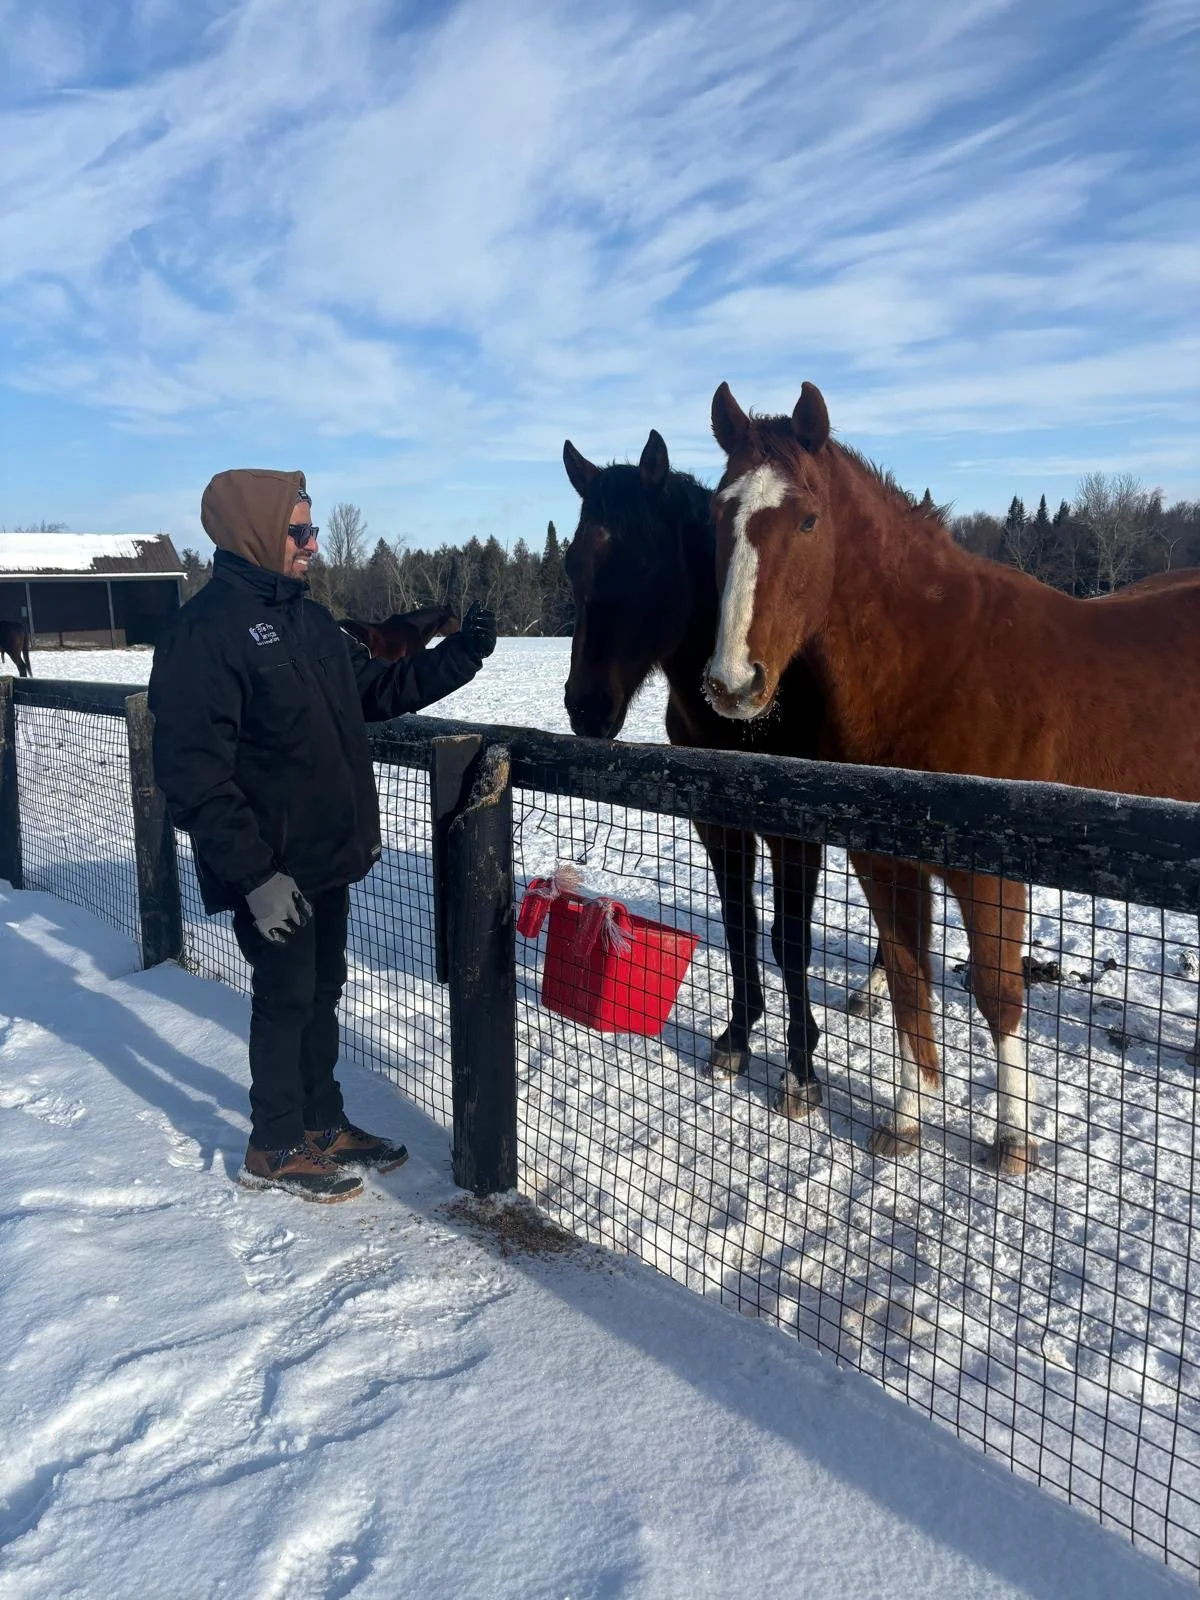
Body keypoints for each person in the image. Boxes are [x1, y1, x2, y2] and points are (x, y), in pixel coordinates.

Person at [149, 469, 497, 1203]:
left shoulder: (310, 622)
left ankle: (323, 1120)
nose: (311, 545)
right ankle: (274, 1140)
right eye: (297, 531)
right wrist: (253, 874)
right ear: (253, 532)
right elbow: (191, 771)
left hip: (325, 854)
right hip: (269, 864)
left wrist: (462, 655)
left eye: (312, 530)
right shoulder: (203, 632)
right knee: (285, 995)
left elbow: (376, 691)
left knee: (322, 990)